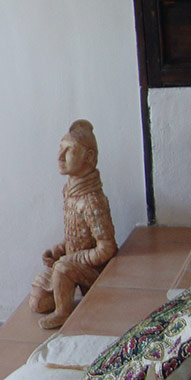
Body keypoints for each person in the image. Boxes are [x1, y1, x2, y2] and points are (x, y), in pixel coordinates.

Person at [28, 120, 118, 330]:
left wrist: (73, 258)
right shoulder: (71, 193)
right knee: (38, 301)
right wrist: (60, 249)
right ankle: (63, 286)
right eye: (61, 149)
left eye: (69, 150)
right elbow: (77, 236)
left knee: (62, 268)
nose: (60, 157)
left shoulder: (92, 201)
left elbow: (107, 248)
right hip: (71, 264)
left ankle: (63, 312)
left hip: (93, 270)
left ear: (89, 157)